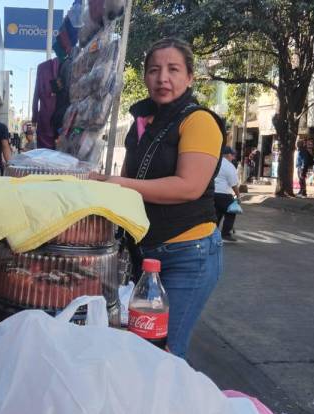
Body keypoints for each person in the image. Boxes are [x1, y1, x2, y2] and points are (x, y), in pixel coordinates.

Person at [90, 38, 225, 359]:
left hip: (188, 255)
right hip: (145, 255)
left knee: (163, 353)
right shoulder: (140, 124)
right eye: (154, 70)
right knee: (140, 345)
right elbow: (130, 185)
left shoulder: (199, 121)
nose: (163, 78)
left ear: (190, 77)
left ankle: (169, 408)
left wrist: (116, 184)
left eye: (173, 69)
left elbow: (188, 187)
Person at [214, 146, 241, 242]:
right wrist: (238, 196)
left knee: (216, 213)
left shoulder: (215, 162)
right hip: (224, 194)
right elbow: (234, 184)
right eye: (232, 155)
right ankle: (225, 234)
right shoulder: (229, 166)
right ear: (228, 155)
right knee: (231, 212)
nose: (233, 157)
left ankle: (212, 233)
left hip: (212, 193)